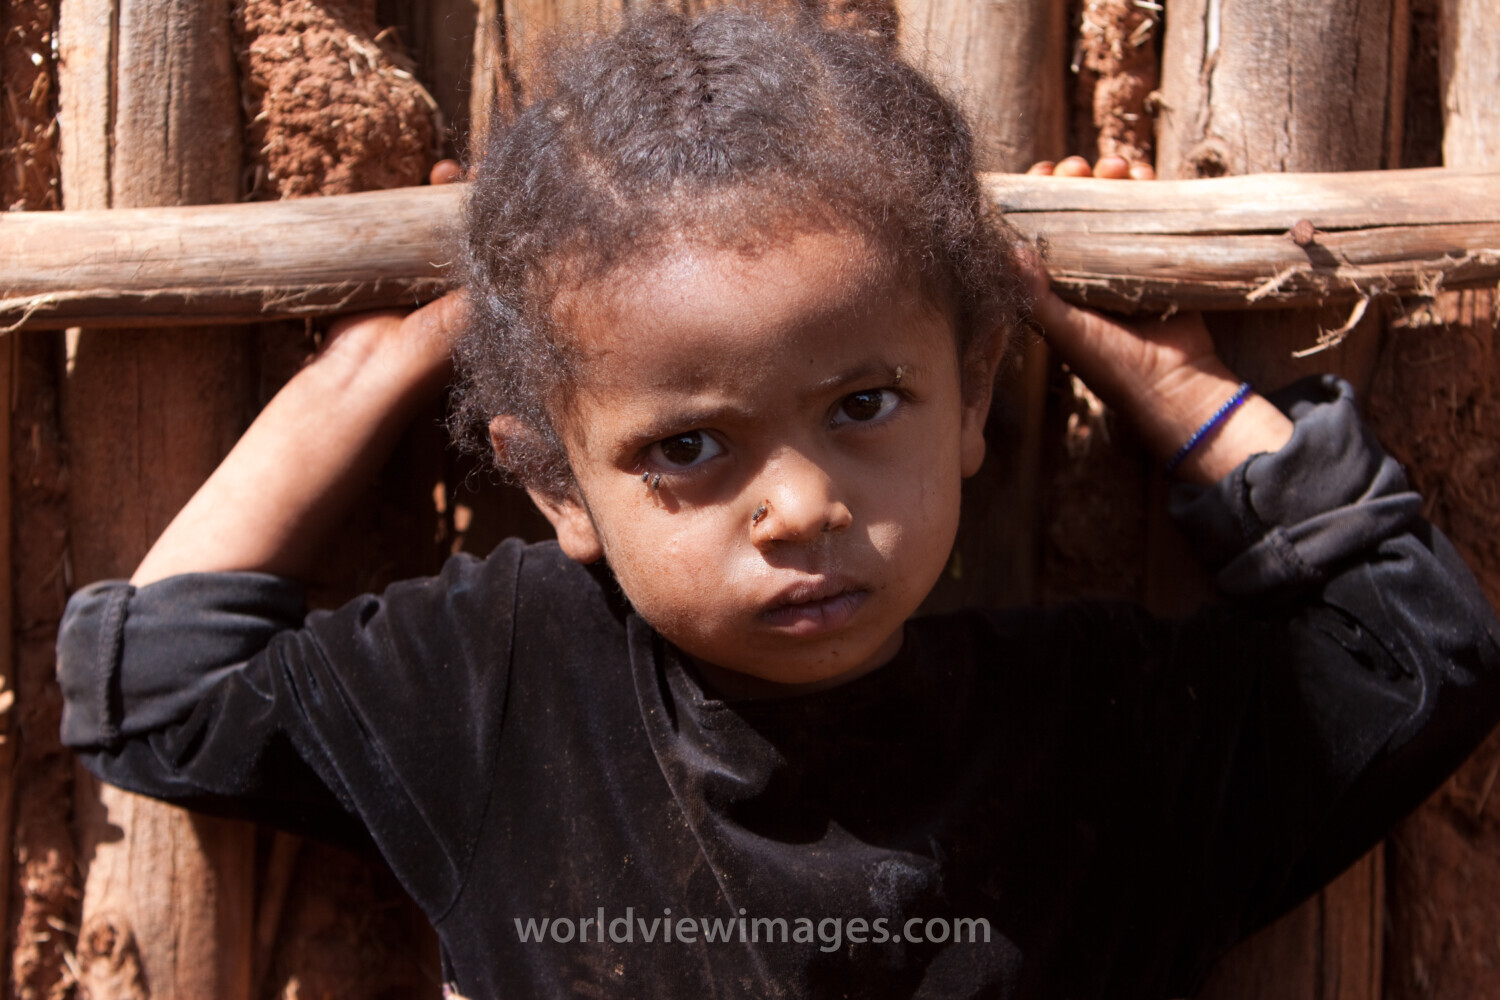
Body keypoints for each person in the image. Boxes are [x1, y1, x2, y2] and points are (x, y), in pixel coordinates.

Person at [55, 6, 1500, 999]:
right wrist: (382, 361)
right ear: (555, 480)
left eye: (864, 407)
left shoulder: (1095, 739)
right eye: (686, 448)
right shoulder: (505, 687)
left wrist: (1154, 377)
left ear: (976, 399)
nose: (799, 506)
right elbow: (151, 693)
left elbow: (1420, 654)